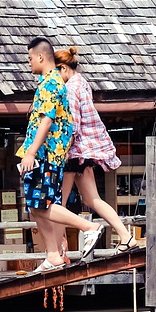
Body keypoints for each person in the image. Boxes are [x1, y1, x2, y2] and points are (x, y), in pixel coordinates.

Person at [16, 37, 104, 273]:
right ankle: (53, 255)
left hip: (44, 154)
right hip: (44, 154)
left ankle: (89, 228)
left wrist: (31, 152)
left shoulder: (51, 84)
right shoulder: (49, 82)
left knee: (43, 205)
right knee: (36, 206)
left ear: (41, 57)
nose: (29, 63)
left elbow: (47, 119)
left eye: (30, 58)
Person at [56, 46, 137, 256]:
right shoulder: (83, 83)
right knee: (93, 199)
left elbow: (72, 125)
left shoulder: (70, 88)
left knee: (58, 205)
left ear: (63, 68)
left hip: (72, 153)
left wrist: (61, 152)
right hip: (85, 153)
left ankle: (58, 252)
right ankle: (126, 236)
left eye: (57, 72)